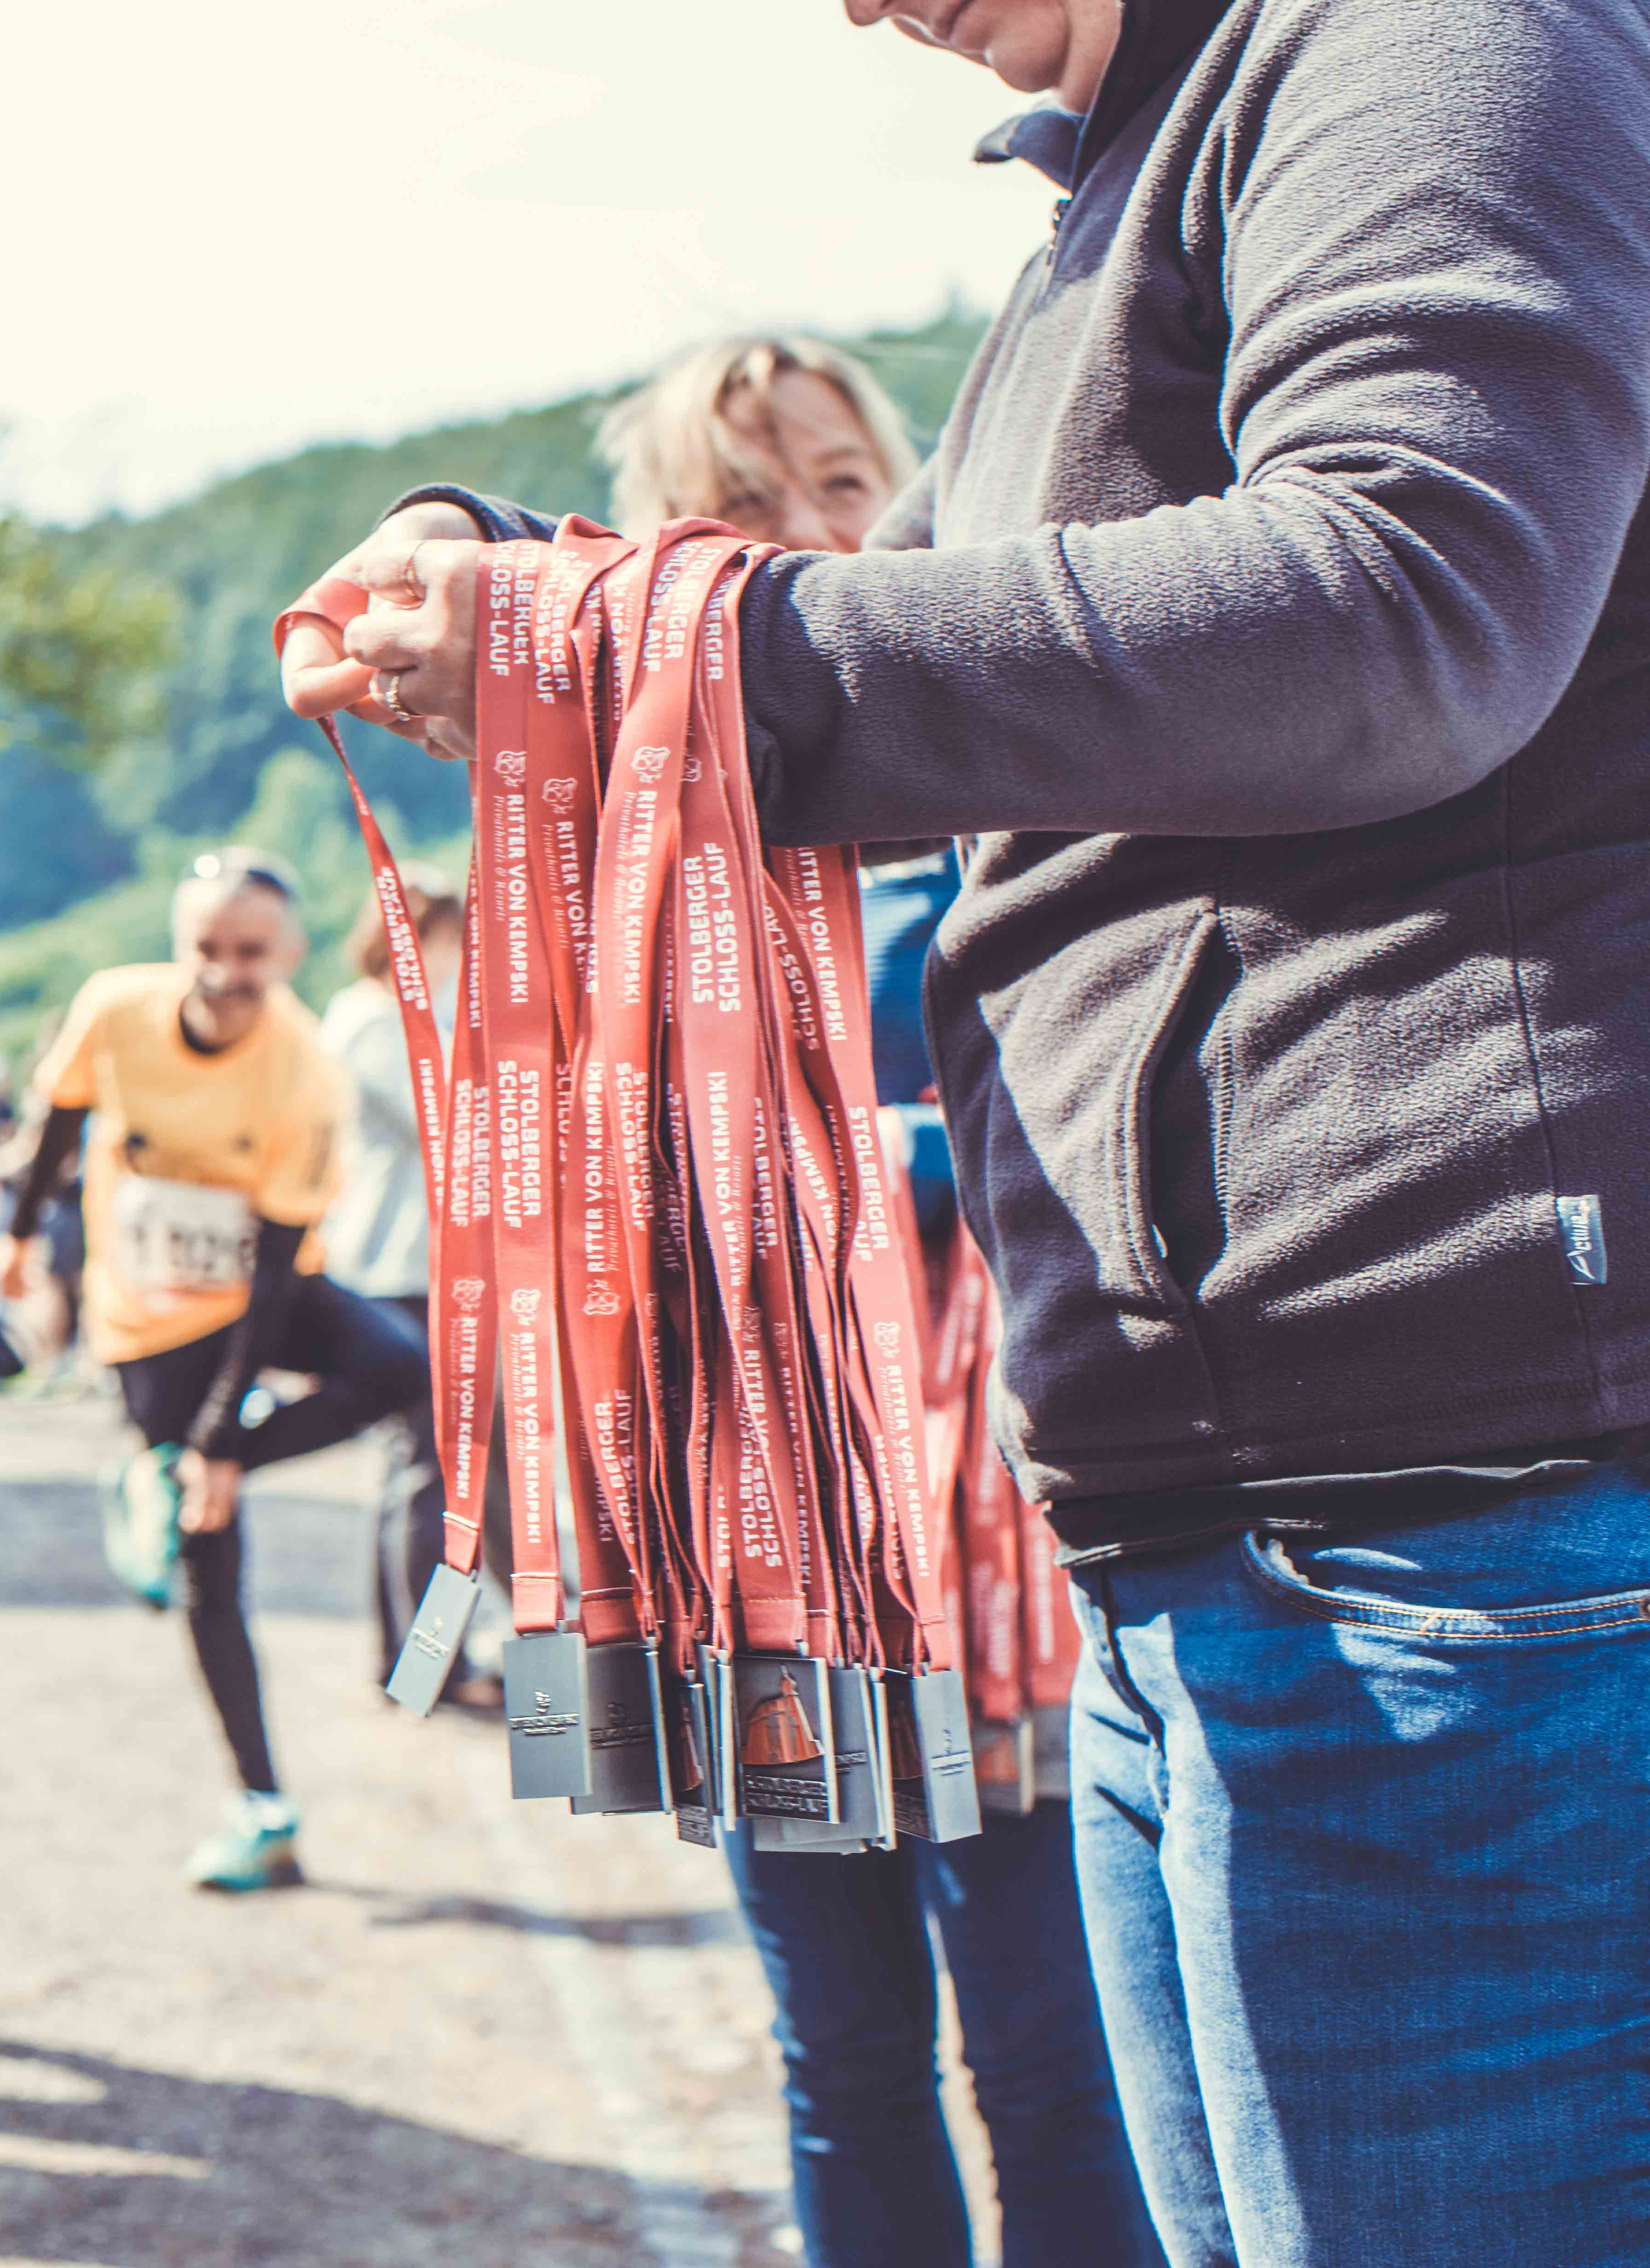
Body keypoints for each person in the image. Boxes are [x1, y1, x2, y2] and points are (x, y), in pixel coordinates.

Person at [289, 3, 1650, 2257]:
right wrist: (505, 578)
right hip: (1205, 1530)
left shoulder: (1435, 33)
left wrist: (637, 659)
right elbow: (925, 621)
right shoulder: (1105, 191)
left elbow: (1402, 592)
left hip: (1451, 1545)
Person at [591, 333, 1162, 2268]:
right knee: (840, 2053)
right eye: (742, 504)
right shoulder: (632, 868)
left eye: (843, 486)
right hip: (761, 1541)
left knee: (1048, 2051)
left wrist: (879, 1160)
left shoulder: (1008, 787)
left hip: (995, 1547)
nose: (805, 535)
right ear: (669, 547)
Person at [0, 850, 426, 1893]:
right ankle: (261, 1803)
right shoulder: (116, 1006)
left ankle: (174, 1466)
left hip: (261, 1291)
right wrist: (16, 1242)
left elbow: (276, 1275)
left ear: (289, 952)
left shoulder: (304, 1070)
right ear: (181, 940)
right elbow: (56, 1122)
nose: (226, 972)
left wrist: (228, 1436)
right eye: (206, 948)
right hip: (146, 1317)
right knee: (207, 1563)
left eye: (249, 952)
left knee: (401, 1366)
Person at [315, 866, 509, 1707]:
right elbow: (450, 1121)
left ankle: (418, 1660)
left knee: (441, 1470)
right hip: (402, 1271)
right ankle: (423, 1666)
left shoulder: (406, 1018)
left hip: (431, 1270)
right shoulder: (371, 1022)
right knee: (430, 1472)